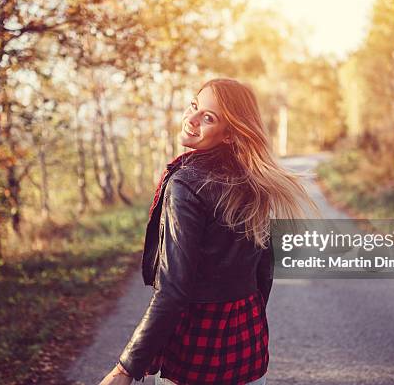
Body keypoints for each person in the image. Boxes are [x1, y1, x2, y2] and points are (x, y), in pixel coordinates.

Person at [98, 78, 320, 385]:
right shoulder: (255, 179)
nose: (191, 120)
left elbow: (173, 288)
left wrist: (126, 367)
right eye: (194, 106)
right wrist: (250, 322)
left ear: (230, 134)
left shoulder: (186, 183)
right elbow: (263, 272)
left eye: (208, 117)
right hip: (248, 345)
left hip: (195, 351)